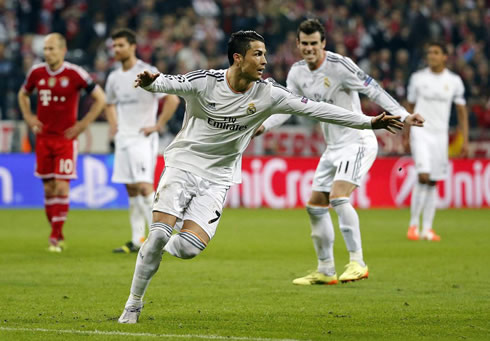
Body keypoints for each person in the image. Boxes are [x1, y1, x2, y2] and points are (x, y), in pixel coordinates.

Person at [118, 30, 404, 324]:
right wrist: (151, 84)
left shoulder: (268, 94)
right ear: (238, 58)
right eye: (258, 54)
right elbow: (167, 82)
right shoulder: (206, 81)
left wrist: (368, 122)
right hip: (183, 165)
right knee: (158, 233)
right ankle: (133, 304)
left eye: (265, 54)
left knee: (189, 248)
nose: (265, 61)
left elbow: (319, 109)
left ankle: (155, 250)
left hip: (219, 177)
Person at [255, 19, 424, 285]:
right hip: (332, 146)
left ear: (323, 44)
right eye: (305, 44)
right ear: (298, 44)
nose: (309, 48)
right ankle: (325, 269)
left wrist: (403, 115)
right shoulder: (297, 73)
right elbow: (287, 108)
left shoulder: (340, 66)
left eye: (314, 43)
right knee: (315, 206)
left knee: (338, 197)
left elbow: (373, 89)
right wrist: (263, 126)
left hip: (357, 141)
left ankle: (358, 262)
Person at [17, 33, 106, 252]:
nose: (47, 53)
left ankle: (55, 237)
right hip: (43, 139)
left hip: (65, 139)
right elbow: (22, 94)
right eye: (45, 49)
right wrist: (29, 118)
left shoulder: (75, 73)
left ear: (63, 50)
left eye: (52, 49)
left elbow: (100, 98)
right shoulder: (36, 73)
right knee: (48, 189)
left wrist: (83, 124)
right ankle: (57, 231)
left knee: (61, 185)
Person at [105, 28, 180, 254]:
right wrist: (114, 125)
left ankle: (158, 240)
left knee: (144, 186)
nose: (116, 49)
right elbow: (109, 103)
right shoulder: (114, 77)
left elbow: (172, 99)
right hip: (123, 139)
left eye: (121, 45)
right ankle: (138, 239)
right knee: (131, 189)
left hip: (142, 137)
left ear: (132, 46)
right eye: (114, 46)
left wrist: (158, 125)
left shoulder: (147, 71)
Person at [405, 41, 468, 242]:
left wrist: (464, 138)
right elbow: (409, 106)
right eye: (429, 52)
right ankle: (413, 225)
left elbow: (461, 111)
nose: (431, 55)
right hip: (420, 132)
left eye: (435, 52)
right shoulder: (417, 79)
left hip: (441, 135)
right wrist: (406, 133)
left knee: (433, 180)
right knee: (423, 176)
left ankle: (427, 229)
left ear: (444, 57)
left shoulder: (454, 81)